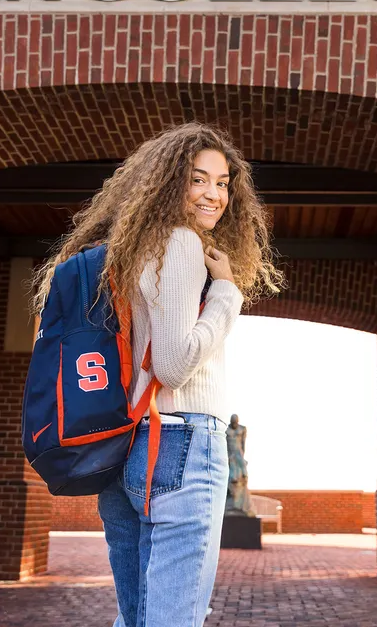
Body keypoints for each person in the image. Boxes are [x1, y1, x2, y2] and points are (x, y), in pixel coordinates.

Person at [31, 123, 281, 627]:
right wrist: (227, 292)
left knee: (138, 618)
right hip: (185, 442)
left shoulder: (126, 251)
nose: (214, 194)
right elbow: (173, 362)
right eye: (198, 179)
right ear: (169, 183)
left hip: (130, 449)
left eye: (223, 182)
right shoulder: (182, 244)